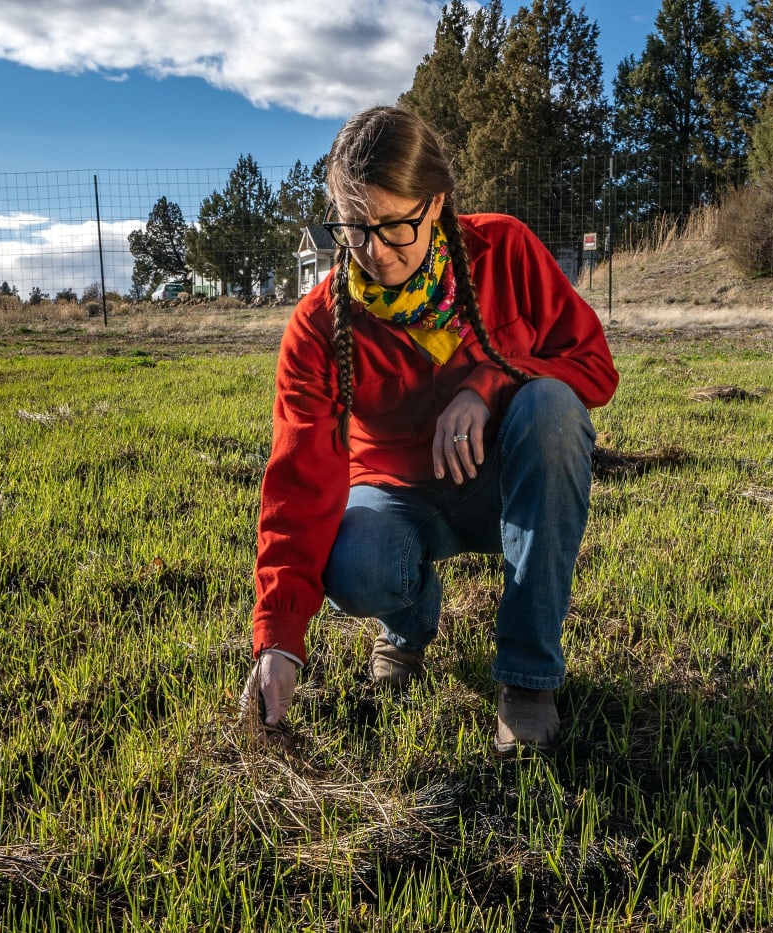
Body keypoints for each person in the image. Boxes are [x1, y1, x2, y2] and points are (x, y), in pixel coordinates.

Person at [242, 105, 618, 754]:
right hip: (393, 494)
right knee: (354, 564)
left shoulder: (504, 250)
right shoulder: (317, 326)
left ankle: (527, 680)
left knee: (552, 408)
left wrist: (490, 384)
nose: (374, 252)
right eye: (353, 228)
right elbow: (298, 478)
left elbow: (593, 366)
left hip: (502, 482)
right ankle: (406, 627)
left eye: (394, 226)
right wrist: (278, 640)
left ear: (436, 202)